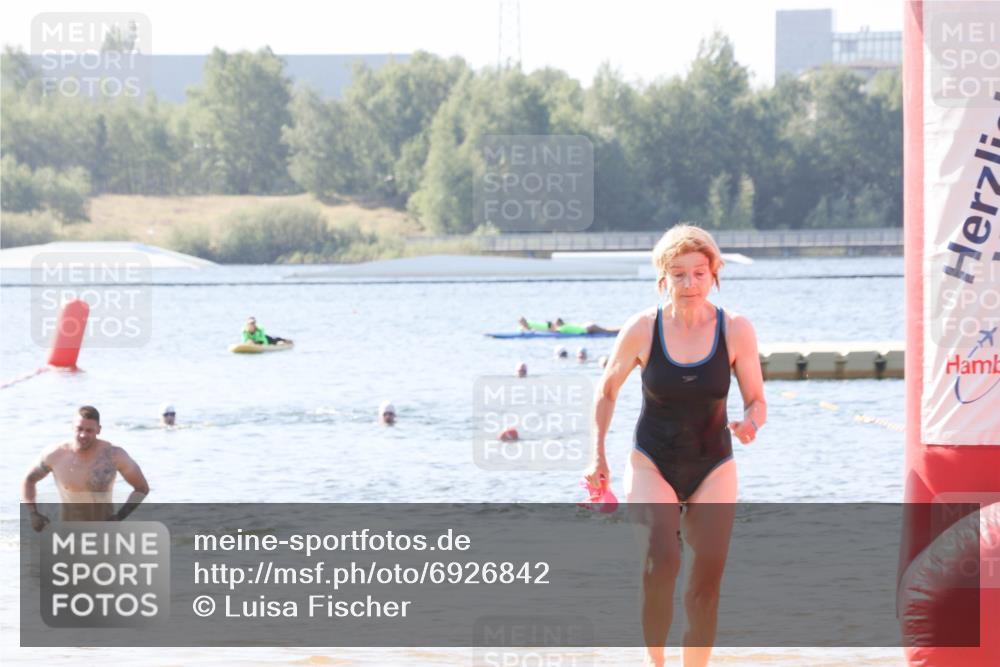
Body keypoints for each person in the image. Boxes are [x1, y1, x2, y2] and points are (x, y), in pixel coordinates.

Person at [584, 224, 766, 667]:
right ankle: (656, 662)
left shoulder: (735, 329)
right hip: (652, 462)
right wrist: (597, 455)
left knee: (706, 586)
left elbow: (757, 400)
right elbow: (606, 392)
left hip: (714, 465)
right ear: (663, 277)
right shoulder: (643, 329)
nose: (690, 284)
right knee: (661, 564)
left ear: (714, 273)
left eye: (699, 273)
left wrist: (751, 424)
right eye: (679, 274)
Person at [22, 405, 150, 531]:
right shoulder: (55, 455)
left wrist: (119, 517)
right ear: (72, 427)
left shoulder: (114, 455)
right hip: (68, 533)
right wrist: (33, 514)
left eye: (89, 430)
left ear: (98, 430)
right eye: (79, 429)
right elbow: (29, 480)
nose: (83, 435)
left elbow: (142, 488)